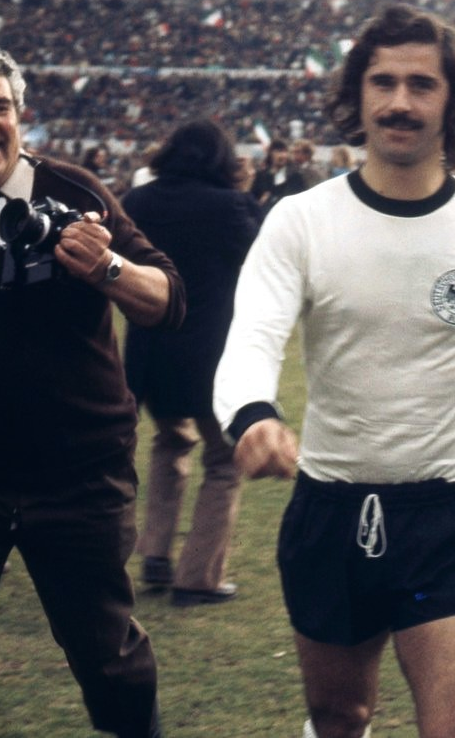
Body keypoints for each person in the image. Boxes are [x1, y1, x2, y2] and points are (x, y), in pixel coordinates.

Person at [213, 3, 455, 738]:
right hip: (331, 509)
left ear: (452, 100)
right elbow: (253, 334)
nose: (400, 102)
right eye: (383, 82)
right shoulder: (301, 219)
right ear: (358, 93)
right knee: (340, 716)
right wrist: (252, 413)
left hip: (451, 515)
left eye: (421, 84)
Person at [0, 39, 185, 738]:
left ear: (21, 116)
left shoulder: (74, 191)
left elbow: (169, 300)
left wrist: (108, 268)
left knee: (105, 654)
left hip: (79, 471)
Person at [121, 119, 262, 607]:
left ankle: (156, 556)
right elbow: (261, 256)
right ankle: (198, 577)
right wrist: (244, 191)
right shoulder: (230, 205)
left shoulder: (138, 201)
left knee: (170, 443)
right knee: (224, 460)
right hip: (210, 354)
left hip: (151, 352)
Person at [250, 139, 306, 208]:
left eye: (285, 152)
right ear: (270, 153)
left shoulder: (295, 176)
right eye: (278, 151)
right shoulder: (260, 176)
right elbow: (253, 198)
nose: (282, 155)